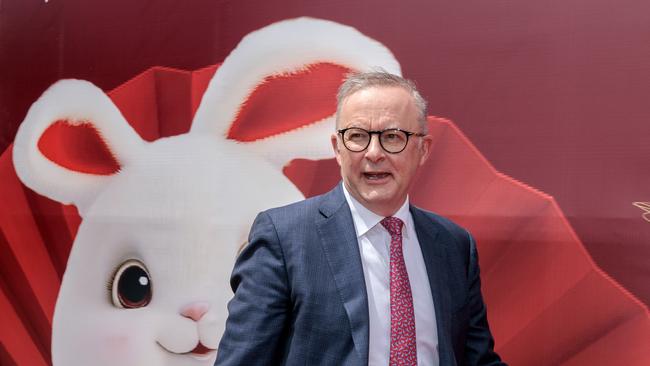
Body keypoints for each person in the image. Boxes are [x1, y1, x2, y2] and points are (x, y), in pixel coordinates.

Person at [215, 71, 505, 365]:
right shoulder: (284, 238)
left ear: (423, 149)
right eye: (357, 137)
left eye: (393, 137)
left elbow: (477, 360)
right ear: (337, 148)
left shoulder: (453, 246)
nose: (374, 153)